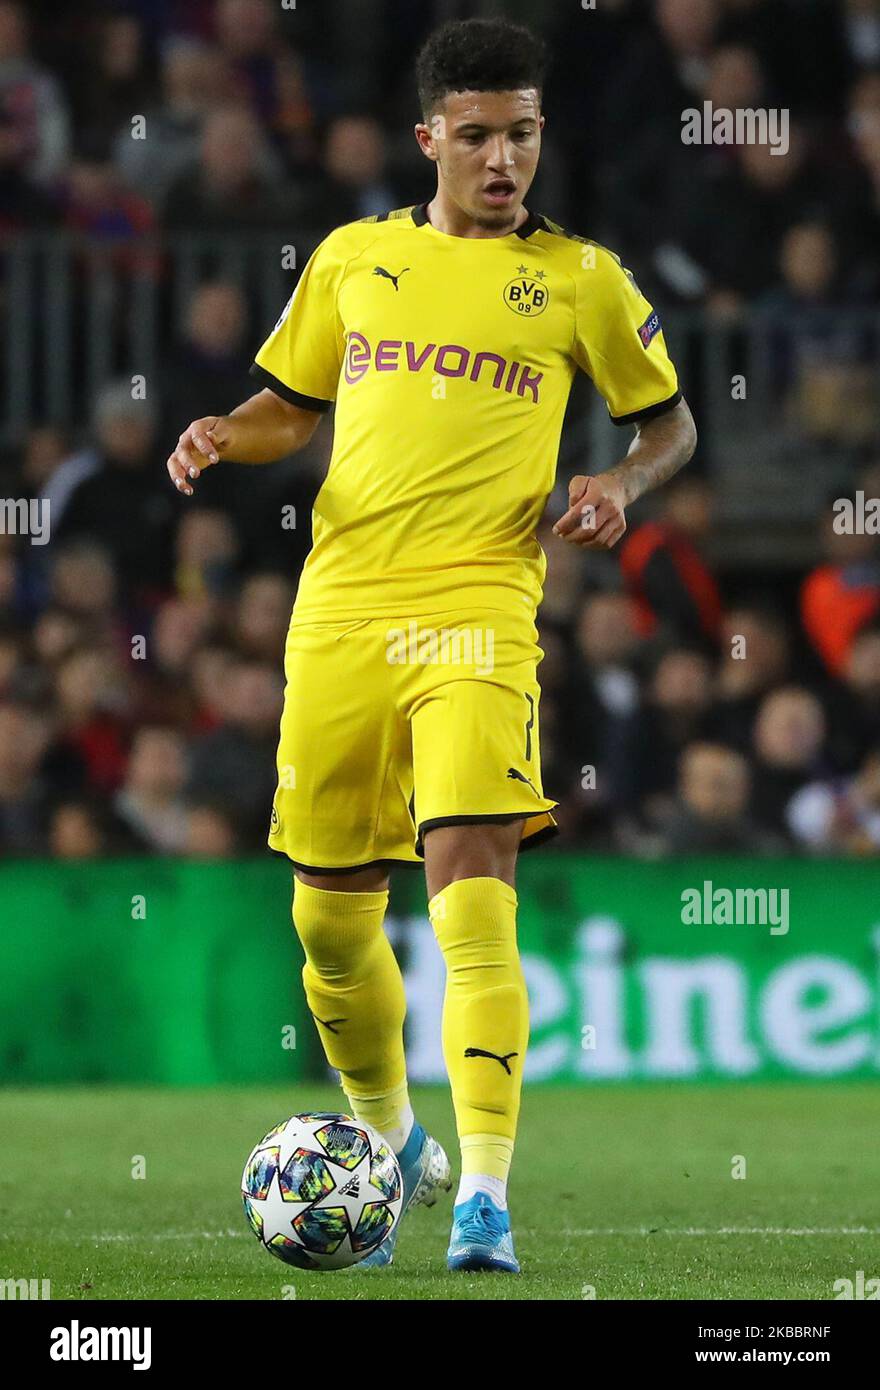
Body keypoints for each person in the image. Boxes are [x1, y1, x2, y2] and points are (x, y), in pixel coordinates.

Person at [166, 17, 697, 1274]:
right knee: (332, 925)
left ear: (539, 135)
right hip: (341, 612)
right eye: (475, 137)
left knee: (470, 879)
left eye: (519, 133)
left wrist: (622, 483)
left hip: (481, 610)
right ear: (428, 140)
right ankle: (393, 1140)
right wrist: (216, 435)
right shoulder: (353, 259)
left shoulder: (581, 279)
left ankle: (487, 1195)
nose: (501, 158)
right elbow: (286, 412)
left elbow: (669, 426)